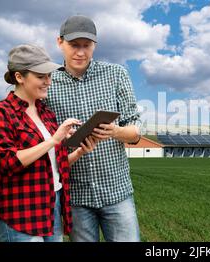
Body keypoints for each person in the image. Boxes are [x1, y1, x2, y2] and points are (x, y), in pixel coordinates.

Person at [0, 44, 98, 242]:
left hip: (52, 207)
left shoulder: (46, 113)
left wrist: (79, 152)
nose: (47, 82)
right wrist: (53, 139)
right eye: (40, 76)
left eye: (49, 76)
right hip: (21, 215)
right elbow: (8, 162)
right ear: (19, 77)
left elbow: (53, 166)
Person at [45, 15, 142, 242]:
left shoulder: (116, 74)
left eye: (86, 46)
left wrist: (116, 131)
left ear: (95, 45)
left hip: (117, 192)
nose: (80, 52)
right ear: (60, 42)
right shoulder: (48, 83)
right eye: (74, 45)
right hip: (76, 197)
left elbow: (136, 130)